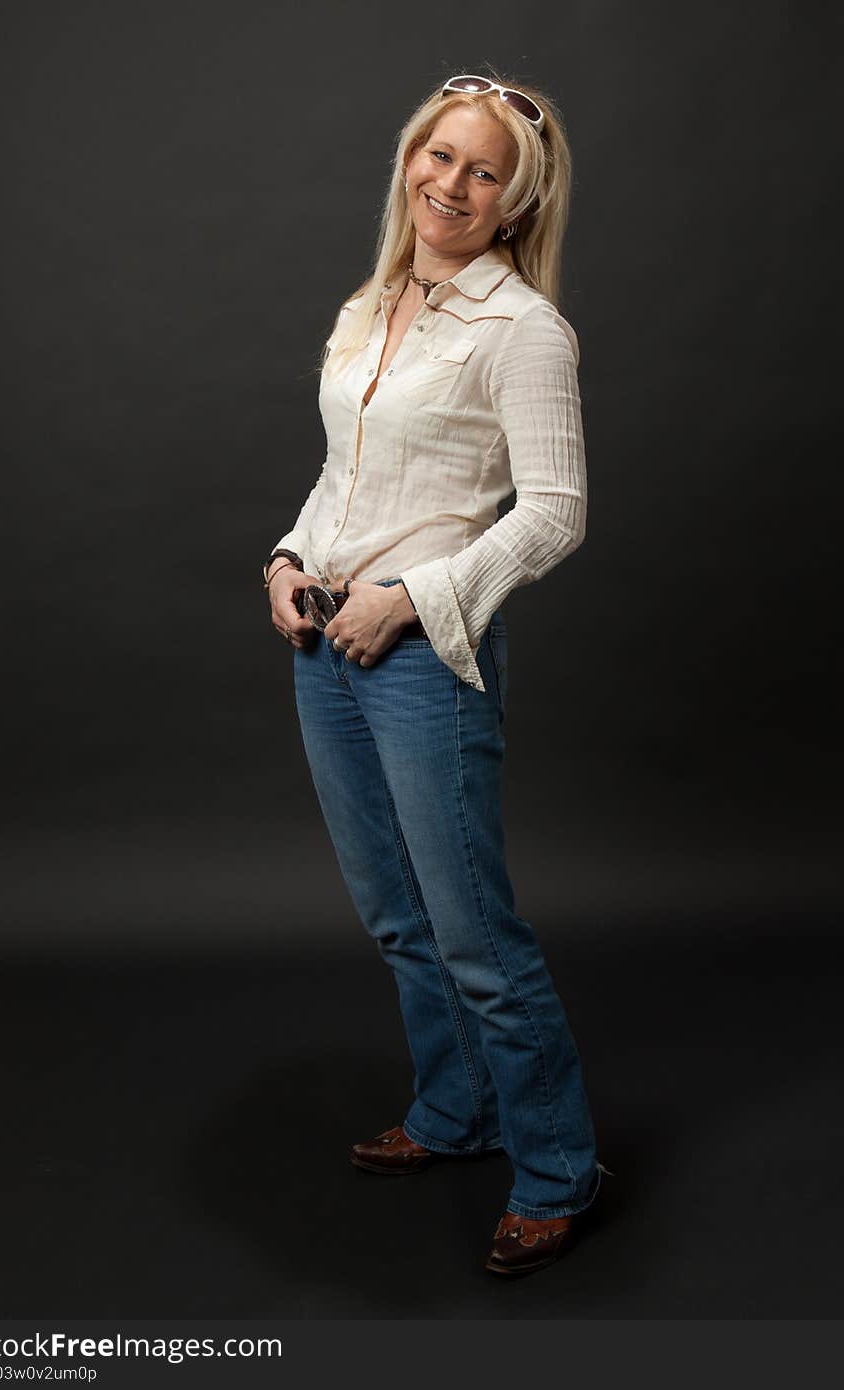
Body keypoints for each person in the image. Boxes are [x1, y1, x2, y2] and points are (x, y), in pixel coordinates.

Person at [263, 72, 610, 1278]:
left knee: (474, 938)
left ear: (514, 205)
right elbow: (344, 475)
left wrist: (409, 598)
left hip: (422, 662)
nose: (449, 186)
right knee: (398, 922)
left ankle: (559, 1169)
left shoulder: (522, 328)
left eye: (481, 173)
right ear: (410, 157)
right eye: (438, 157)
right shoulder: (373, 303)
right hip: (323, 645)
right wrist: (290, 554)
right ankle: (455, 1114)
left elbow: (555, 513)